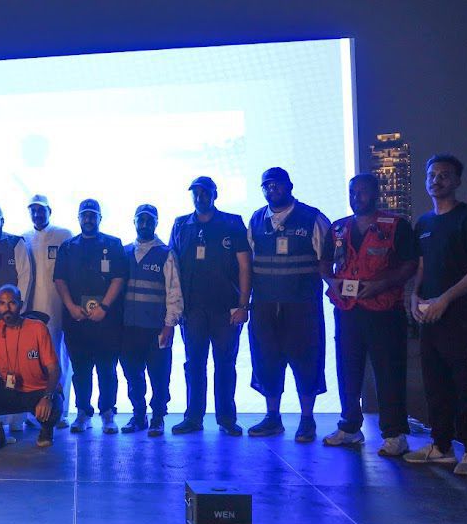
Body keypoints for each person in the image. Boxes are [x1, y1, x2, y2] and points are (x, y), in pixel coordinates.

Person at [405, 154, 467, 475]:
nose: (437, 180)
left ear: (457, 181)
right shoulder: (423, 223)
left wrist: (446, 298)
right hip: (431, 319)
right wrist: (415, 295)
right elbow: (421, 266)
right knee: (436, 383)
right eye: (432, 175)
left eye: (444, 175)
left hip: (465, 319)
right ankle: (441, 446)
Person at [321, 174, 417, 455]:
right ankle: (350, 427)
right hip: (347, 310)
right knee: (347, 370)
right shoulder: (338, 228)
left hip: (384, 309)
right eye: (352, 192)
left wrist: (382, 284)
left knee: (388, 371)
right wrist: (332, 282)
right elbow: (324, 263)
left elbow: (410, 264)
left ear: (376, 194)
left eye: (362, 192)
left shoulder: (395, 225)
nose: (356, 197)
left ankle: (395, 434)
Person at [245, 167, 332, 442]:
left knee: (306, 360)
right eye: (267, 185)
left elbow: (329, 258)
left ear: (290, 186)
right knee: (267, 360)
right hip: (264, 305)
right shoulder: (256, 219)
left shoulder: (312, 217)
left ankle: (307, 420)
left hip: (302, 306)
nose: (272, 189)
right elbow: (247, 263)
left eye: (277, 184)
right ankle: (273, 417)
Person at [169, 177, 251, 436]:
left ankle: (226, 419)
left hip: (226, 308)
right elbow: (172, 269)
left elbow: (245, 266)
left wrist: (243, 305)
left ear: (215, 194)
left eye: (205, 193)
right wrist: (174, 307)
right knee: (194, 364)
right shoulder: (180, 225)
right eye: (196, 193)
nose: (200, 197)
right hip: (192, 309)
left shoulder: (232, 223)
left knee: (225, 364)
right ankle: (193, 418)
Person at [53, 199, 128, 433]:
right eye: (84, 215)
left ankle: (108, 413)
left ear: (100, 218)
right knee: (81, 370)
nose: (88, 219)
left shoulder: (114, 244)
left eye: (92, 215)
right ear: (78, 218)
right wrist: (71, 307)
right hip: (76, 319)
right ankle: (83, 413)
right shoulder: (68, 247)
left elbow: (119, 278)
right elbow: (59, 280)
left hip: (106, 320)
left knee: (107, 370)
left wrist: (104, 307)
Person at [0, 285, 62, 450]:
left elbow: (54, 369)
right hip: (10, 390)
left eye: (12, 303)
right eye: (2, 303)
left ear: (20, 304)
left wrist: (47, 397)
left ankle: (46, 430)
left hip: (37, 391)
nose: (7, 308)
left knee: (54, 406)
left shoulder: (37, 328)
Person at [119, 204, 182, 436]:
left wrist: (169, 324)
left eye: (149, 220)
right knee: (132, 375)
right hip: (128, 328)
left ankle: (158, 417)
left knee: (159, 376)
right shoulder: (124, 252)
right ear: (134, 222)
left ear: (156, 223)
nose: (144, 224)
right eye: (141, 220)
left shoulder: (166, 253)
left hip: (156, 328)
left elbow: (174, 291)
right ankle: (139, 416)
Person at [22, 194, 73, 427]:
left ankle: (60, 411)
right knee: (33, 359)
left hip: (58, 307)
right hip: (31, 308)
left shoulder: (64, 235)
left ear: (49, 211)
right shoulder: (23, 238)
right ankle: (34, 411)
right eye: (33, 210)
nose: (37, 214)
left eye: (41, 210)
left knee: (59, 357)